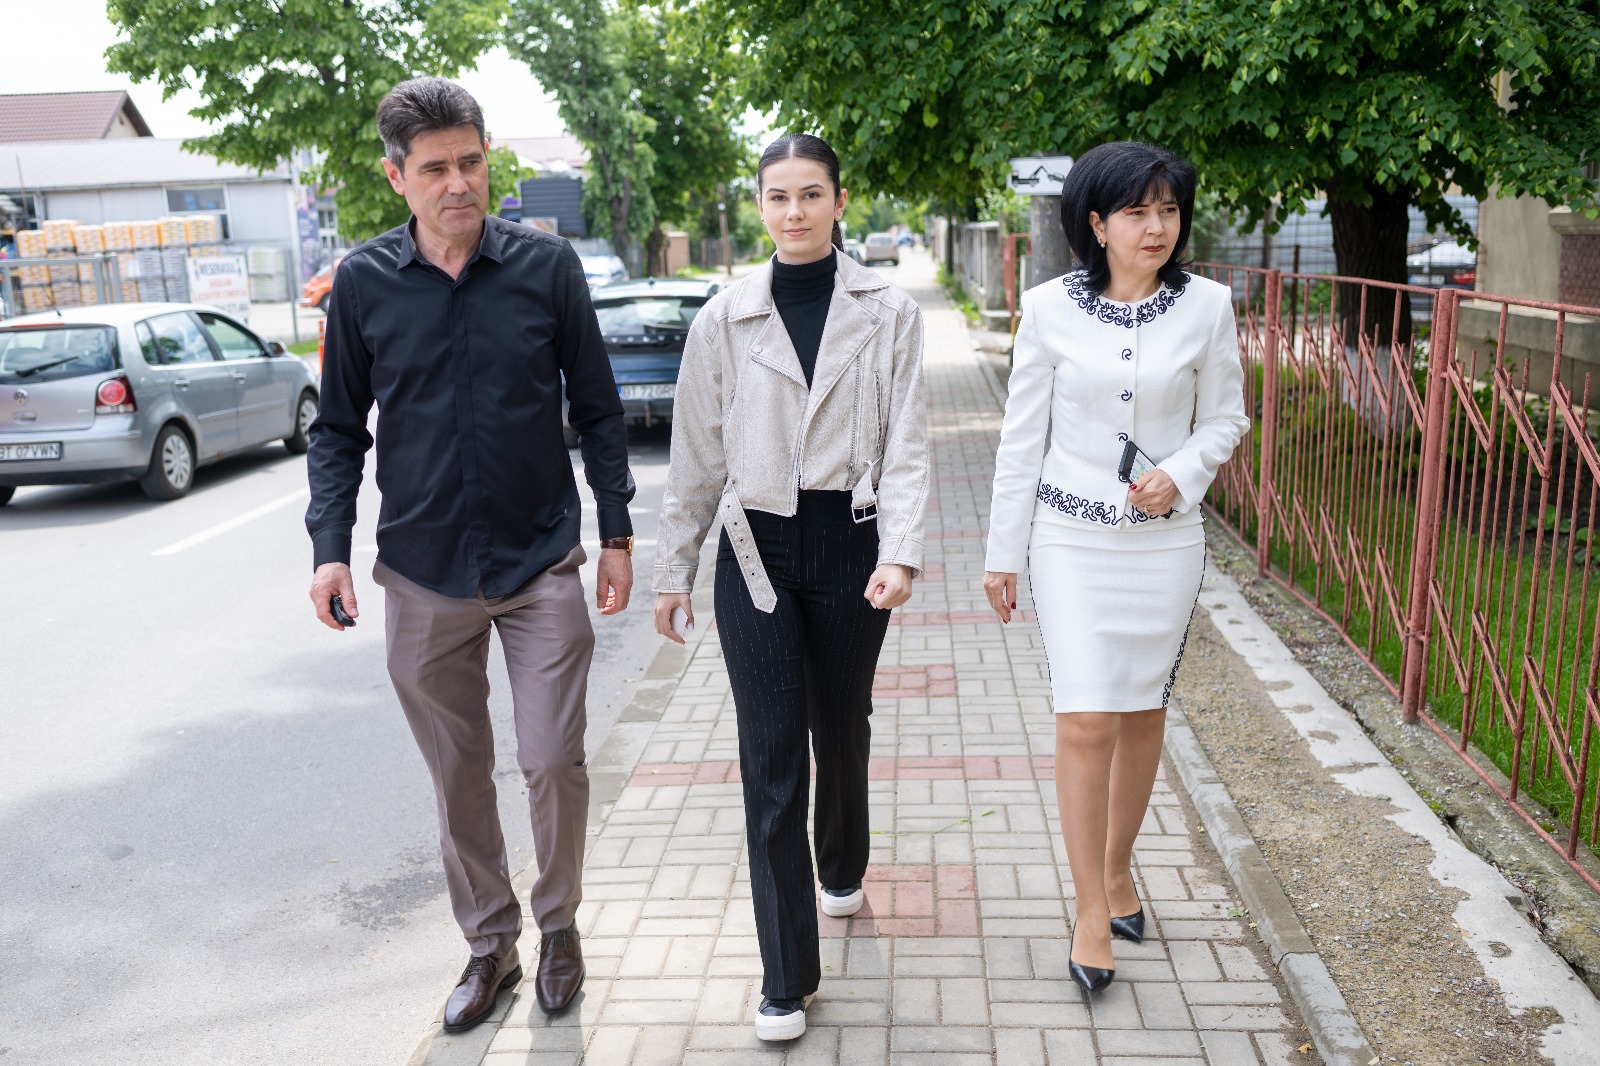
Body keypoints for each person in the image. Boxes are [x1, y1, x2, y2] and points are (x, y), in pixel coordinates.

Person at [304, 77, 635, 1030]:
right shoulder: (363, 284)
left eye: (472, 162)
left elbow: (599, 407)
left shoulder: (546, 267)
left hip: (539, 562)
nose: (458, 183)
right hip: (422, 571)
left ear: (489, 161)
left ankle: (560, 927)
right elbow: (338, 431)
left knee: (551, 760)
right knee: (456, 777)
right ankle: (491, 945)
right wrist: (330, 549)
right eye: (436, 169)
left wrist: (615, 532)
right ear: (396, 177)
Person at [653, 133, 929, 1042]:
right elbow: (694, 455)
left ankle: (841, 860)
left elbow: (908, 446)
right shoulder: (724, 319)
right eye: (779, 196)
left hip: (853, 545)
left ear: (839, 202)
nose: (795, 211)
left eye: (812, 194)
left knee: (839, 723)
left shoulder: (889, 311)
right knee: (771, 753)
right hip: (755, 551)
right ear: (760, 206)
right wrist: (674, 569)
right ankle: (786, 976)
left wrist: (901, 553)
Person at [982, 141, 1249, 994]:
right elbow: (1021, 440)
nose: (1156, 227)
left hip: (1165, 545)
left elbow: (1228, 418)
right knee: (1086, 718)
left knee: (1141, 713)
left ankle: (1120, 865)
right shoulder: (1046, 310)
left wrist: (1185, 470)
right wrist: (1001, 553)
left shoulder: (1208, 307)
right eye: (1137, 212)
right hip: (1069, 540)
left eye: (1169, 210)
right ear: (1096, 224)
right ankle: (1090, 909)